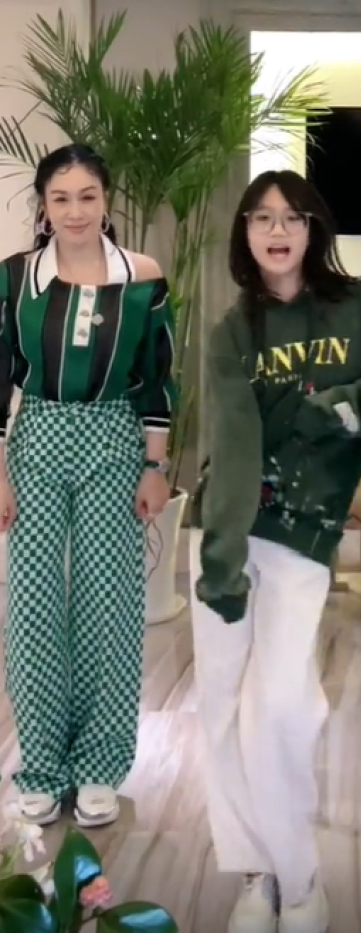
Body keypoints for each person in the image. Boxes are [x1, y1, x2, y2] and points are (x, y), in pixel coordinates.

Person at [191, 168, 361, 933]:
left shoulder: (355, 309)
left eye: (291, 217)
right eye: (261, 217)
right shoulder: (233, 332)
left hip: (302, 535)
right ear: (244, 233)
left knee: (277, 707)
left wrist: (345, 408)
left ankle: (299, 882)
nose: (277, 230)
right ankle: (254, 871)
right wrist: (221, 558)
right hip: (226, 527)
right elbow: (233, 444)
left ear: (312, 229)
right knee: (220, 706)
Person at [0, 144, 176, 828]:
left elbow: (156, 378)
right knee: (34, 606)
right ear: (44, 208)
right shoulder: (15, 277)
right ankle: (42, 768)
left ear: (106, 201)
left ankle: (100, 766)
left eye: (88, 196)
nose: (75, 211)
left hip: (114, 441)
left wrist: (155, 467)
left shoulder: (143, 276)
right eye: (61, 198)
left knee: (110, 604)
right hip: (36, 440)